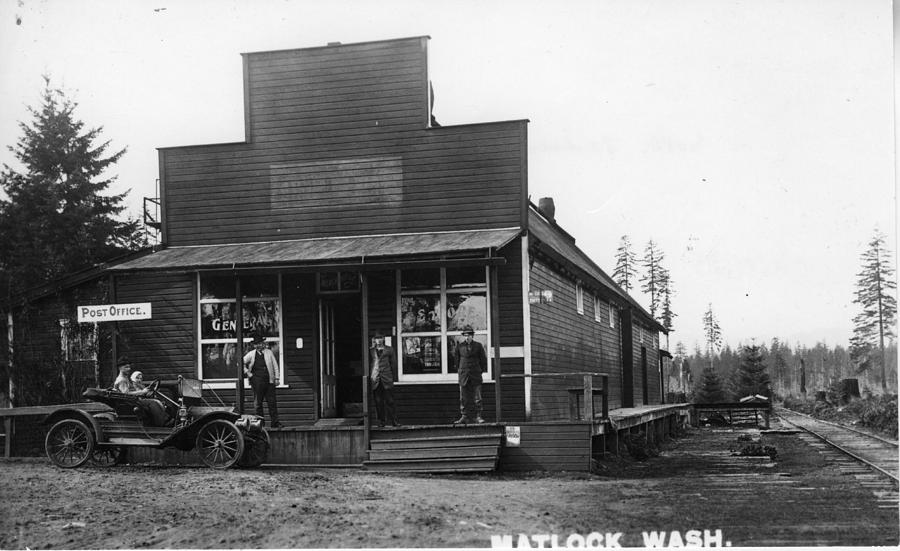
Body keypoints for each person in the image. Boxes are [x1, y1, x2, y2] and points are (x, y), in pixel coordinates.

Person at [242, 333, 283, 428]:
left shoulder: (269, 352)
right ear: (254, 345)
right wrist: (248, 373)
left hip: (269, 382)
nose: (259, 345)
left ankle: (275, 423)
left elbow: (275, 366)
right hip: (256, 383)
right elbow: (240, 363)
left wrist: (277, 378)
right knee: (258, 404)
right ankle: (260, 424)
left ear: (263, 343)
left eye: (260, 343)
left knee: (272, 403)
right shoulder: (251, 354)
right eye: (256, 344)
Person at [453, 325, 487, 424]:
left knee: (478, 397)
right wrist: (461, 371)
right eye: (465, 335)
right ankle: (464, 416)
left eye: (469, 335)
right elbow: (457, 361)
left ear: (472, 336)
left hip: (475, 374)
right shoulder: (459, 347)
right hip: (463, 375)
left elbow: (483, 361)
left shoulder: (478, 346)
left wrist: (478, 371)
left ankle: (478, 416)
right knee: (463, 398)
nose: (467, 337)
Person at [370, 331, 399, 427]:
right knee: (378, 402)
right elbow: (370, 364)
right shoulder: (371, 351)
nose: (378, 340)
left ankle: (394, 421)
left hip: (387, 378)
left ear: (383, 339)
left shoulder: (389, 350)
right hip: (376, 379)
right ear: (374, 340)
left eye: (380, 338)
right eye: (376, 338)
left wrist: (393, 378)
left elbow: (393, 364)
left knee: (390, 401)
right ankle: (381, 422)